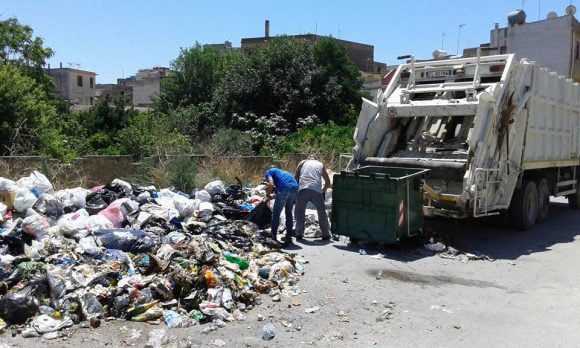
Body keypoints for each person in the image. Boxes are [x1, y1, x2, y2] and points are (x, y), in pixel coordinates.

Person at [294, 155, 331, 241]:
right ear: (316, 159)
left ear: (308, 158)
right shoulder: (320, 164)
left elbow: (295, 178)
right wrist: (324, 191)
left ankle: (299, 234)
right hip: (316, 191)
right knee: (322, 213)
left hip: (303, 189)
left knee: (299, 212)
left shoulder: (302, 163)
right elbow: (328, 182)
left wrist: (296, 191)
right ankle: (325, 234)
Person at [264, 166, 299, 244]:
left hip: (284, 189)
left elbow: (271, 184)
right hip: (295, 189)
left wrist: (268, 194)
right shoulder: (284, 173)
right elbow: (288, 188)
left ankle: (273, 236)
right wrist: (275, 195)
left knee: (276, 213)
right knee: (289, 213)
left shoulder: (269, 171)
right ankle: (288, 237)